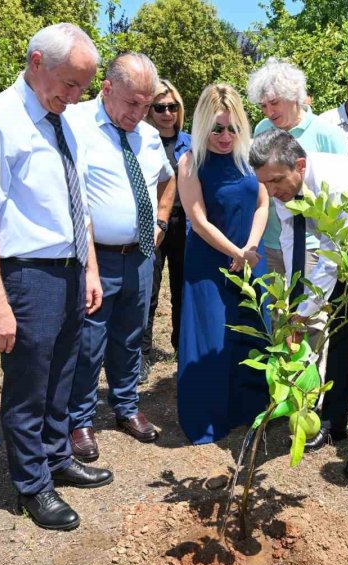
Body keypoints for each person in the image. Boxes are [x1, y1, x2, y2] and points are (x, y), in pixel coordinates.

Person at [0, 23, 113, 531]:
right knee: (28, 387)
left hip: (70, 271)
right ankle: (32, 486)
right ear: (34, 62)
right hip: (27, 276)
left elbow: (79, 204)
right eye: (67, 84)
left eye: (81, 88)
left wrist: (90, 268)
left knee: (62, 379)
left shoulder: (62, 120)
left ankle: (55, 458)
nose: (73, 97)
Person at [249, 129, 348, 479]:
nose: (272, 191)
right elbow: (293, 238)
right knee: (342, 339)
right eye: (265, 183)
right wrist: (292, 297)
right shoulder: (284, 184)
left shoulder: (338, 183)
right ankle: (333, 423)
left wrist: (303, 313)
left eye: (276, 181)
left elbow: (332, 260)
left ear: (300, 165)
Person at [65, 53, 175, 460]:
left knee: (131, 337)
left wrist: (161, 222)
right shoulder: (75, 124)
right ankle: (79, 420)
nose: (140, 113)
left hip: (141, 256)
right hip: (97, 258)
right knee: (89, 341)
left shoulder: (146, 136)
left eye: (147, 105)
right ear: (107, 88)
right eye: (132, 103)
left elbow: (168, 179)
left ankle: (127, 408)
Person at [177, 83, 270, 445]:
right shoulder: (190, 161)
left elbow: (263, 204)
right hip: (209, 262)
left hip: (249, 259)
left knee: (249, 336)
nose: (225, 136)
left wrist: (250, 246)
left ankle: (247, 410)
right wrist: (234, 251)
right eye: (217, 128)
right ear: (203, 126)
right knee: (212, 338)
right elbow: (197, 219)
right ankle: (208, 419)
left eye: (232, 128)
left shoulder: (249, 157)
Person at [247, 58, 348, 276]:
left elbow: (344, 195)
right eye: (263, 106)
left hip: (313, 243)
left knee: (306, 306)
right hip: (271, 240)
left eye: (274, 103)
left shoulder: (327, 134)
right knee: (272, 308)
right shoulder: (262, 130)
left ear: (293, 95)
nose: (268, 112)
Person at [141, 79, 192, 381]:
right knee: (148, 292)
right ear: (151, 109)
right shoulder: (143, 140)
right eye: (160, 107)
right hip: (153, 226)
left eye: (172, 106)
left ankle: (182, 347)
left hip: (185, 226)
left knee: (183, 290)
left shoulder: (191, 142)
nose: (166, 112)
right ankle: (142, 354)